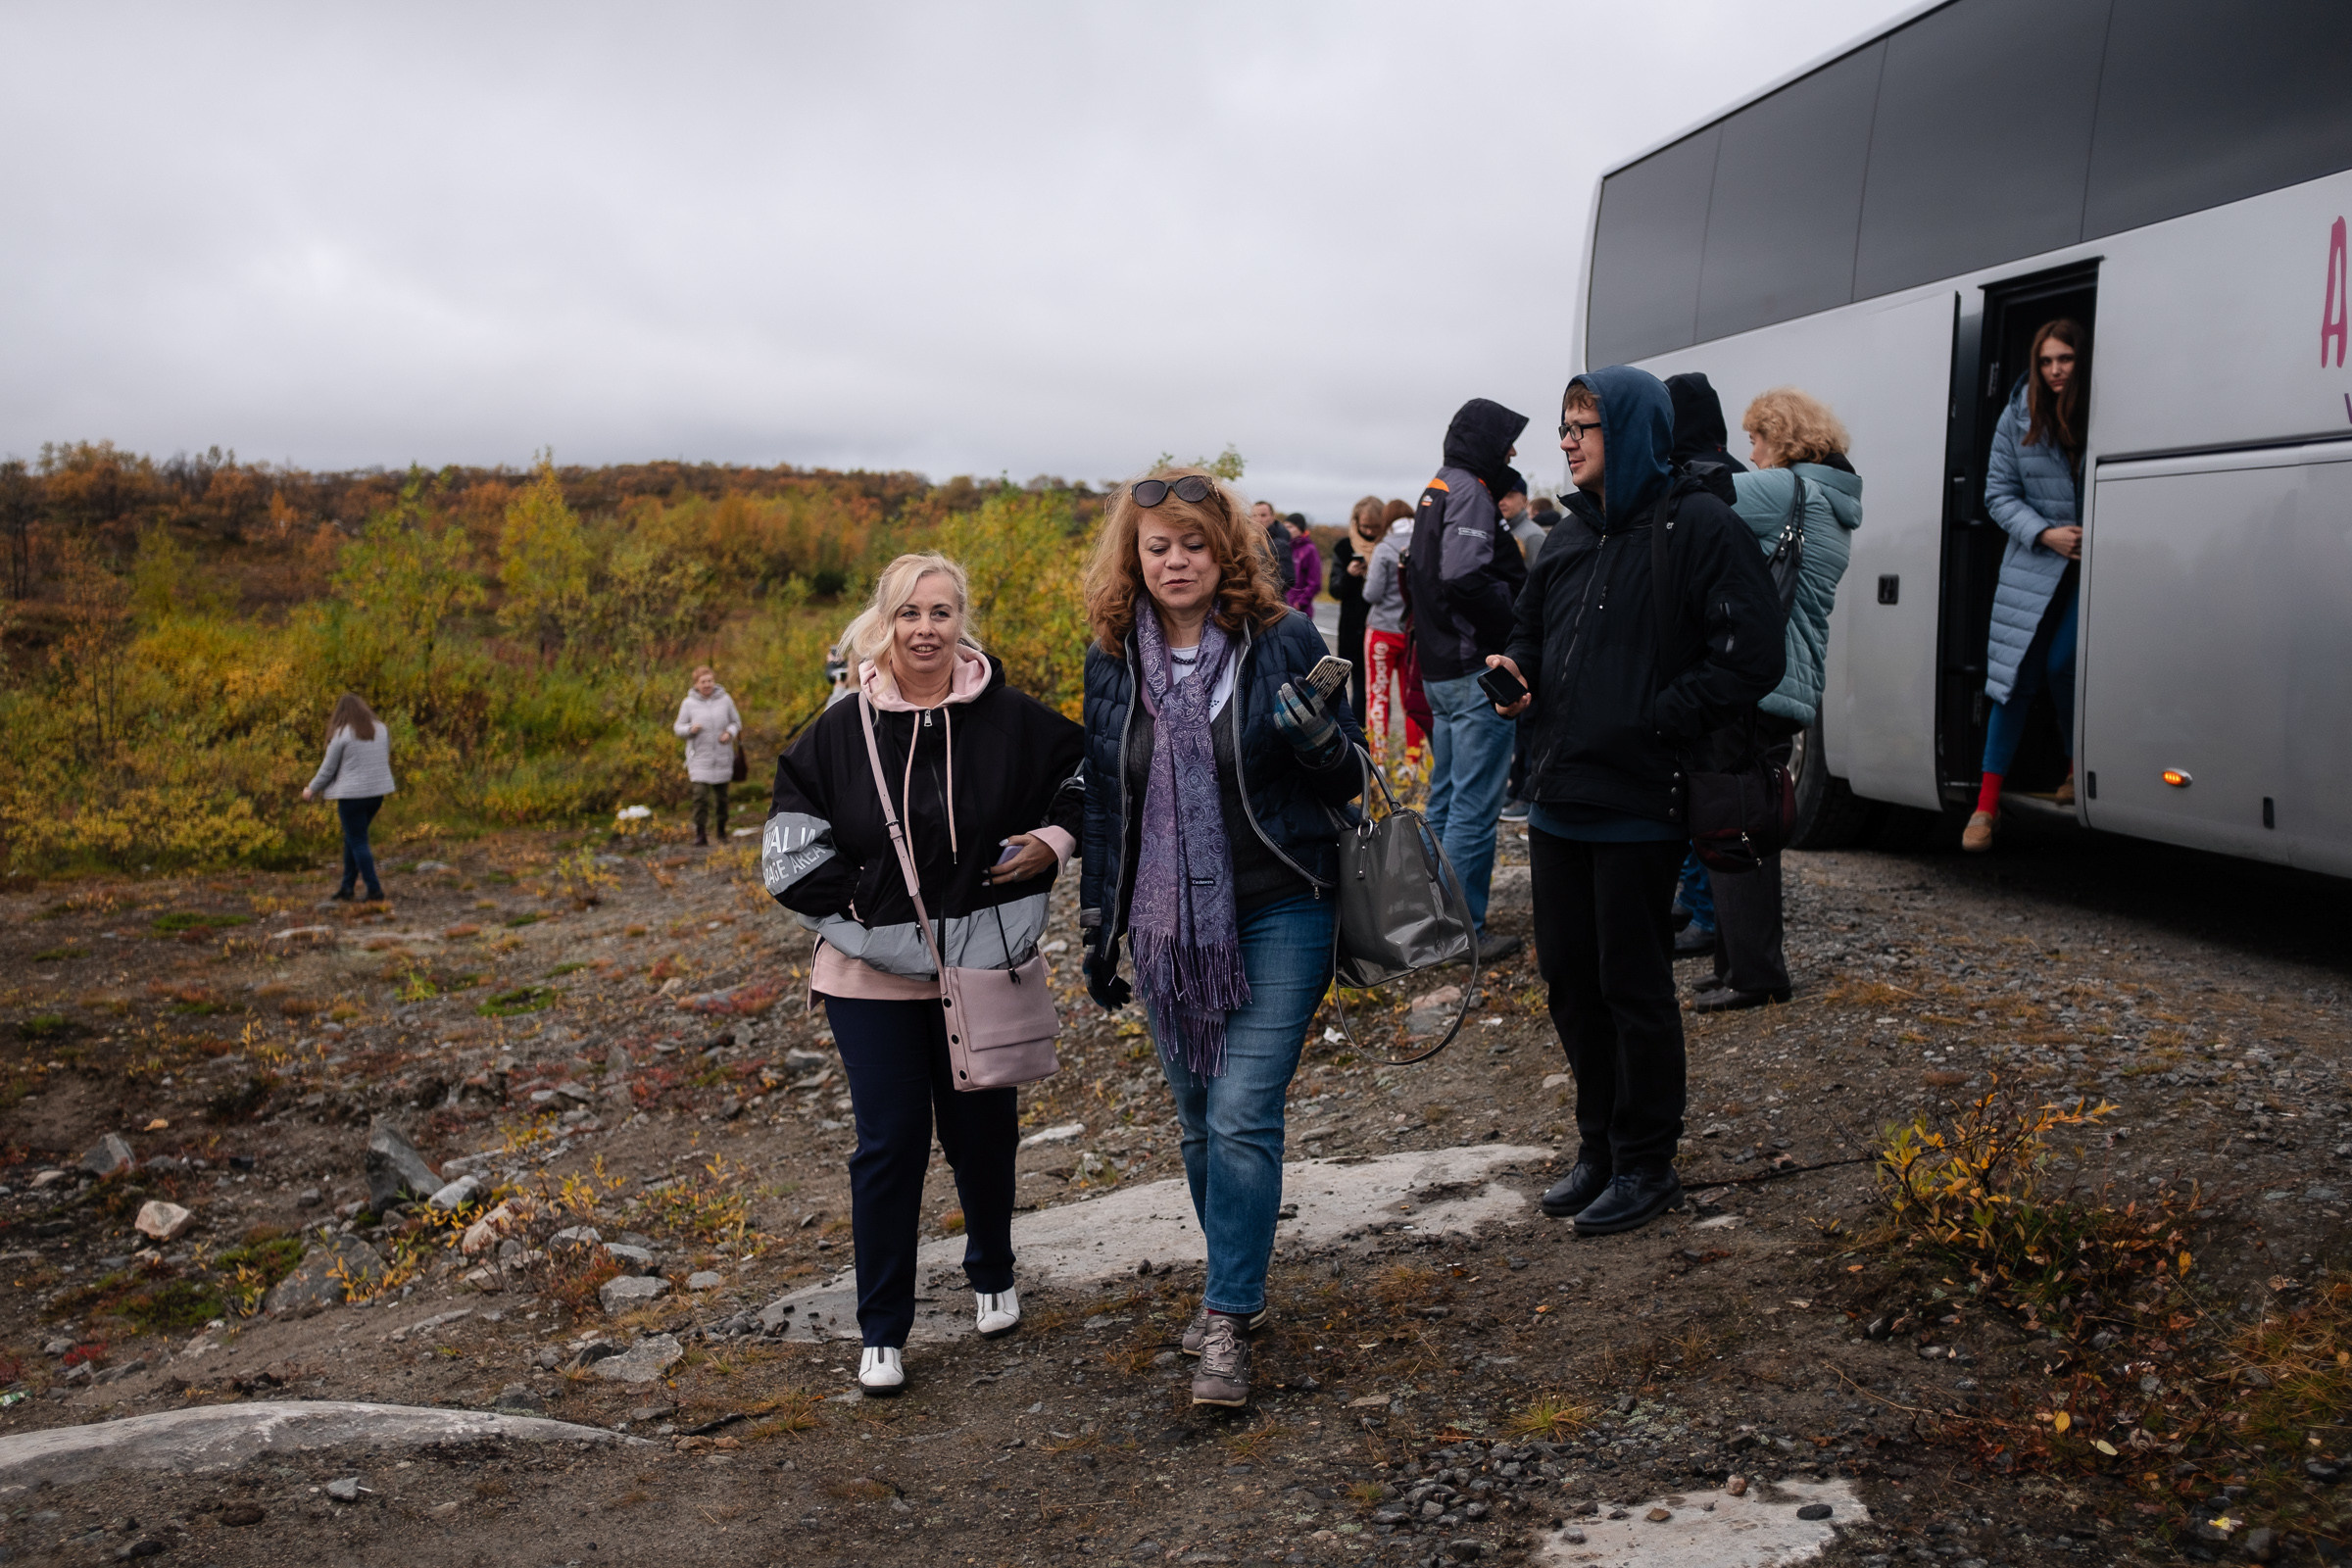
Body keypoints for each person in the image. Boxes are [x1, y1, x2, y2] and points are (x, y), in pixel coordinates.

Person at [763, 553, 1085, 1396]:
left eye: (942, 612)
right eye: (910, 613)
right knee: (891, 1146)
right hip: (868, 982)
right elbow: (787, 859)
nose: (926, 629)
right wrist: (872, 916)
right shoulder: (837, 733)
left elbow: (1089, 783)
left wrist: (1052, 844)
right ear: (885, 622)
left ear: (962, 622)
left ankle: (992, 1272)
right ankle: (882, 1329)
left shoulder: (1012, 719)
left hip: (981, 966)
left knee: (983, 1135)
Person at [1077, 467, 1365, 1408]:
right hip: (1165, 928)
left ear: (1225, 552)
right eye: (1157, 548)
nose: (1175, 562)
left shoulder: (1280, 641)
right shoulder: (1114, 657)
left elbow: (1348, 780)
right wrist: (1099, 927)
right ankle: (1233, 1283)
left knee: (1241, 1109)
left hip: (1284, 900)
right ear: (1135, 558)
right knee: (1200, 1119)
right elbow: (1106, 806)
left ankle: (1228, 1318)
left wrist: (1319, 742)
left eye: (1193, 544)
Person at [1486, 367, 1783, 1236]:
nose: (1568, 440)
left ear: (1637, 430)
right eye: (1566, 426)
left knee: (1632, 983)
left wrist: (1661, 717)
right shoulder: (1569, 538)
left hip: (1639, 797)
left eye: (1586, 424)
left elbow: (1751, 654)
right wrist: (1516, 674)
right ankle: (1600, 1148)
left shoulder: (1699, 525)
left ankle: (1648, 1159)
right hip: (1557, 796)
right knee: (1570, 984)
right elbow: (1529, 632)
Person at [1690, 388, 1864, 1013]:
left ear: (1782, 438)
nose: (1750, 455)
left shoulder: (1788, 492)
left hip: (1755, 683)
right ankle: (1741, 963)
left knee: (1732, 818)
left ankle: (1755, 975)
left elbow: (1689, 495)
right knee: (1751, 820)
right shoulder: (1833, 501)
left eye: (1756, 440)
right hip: (1789, 682)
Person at [1406, 398, 1531, 961]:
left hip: (1438, 667)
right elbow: (1463, 575)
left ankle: (1432, 923)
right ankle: (1463, 934)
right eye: (1507, 440)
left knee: (1445, 799)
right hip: (1472, 669)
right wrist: (1513, 616)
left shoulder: (1437, 485)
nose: (1512, 452)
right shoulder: (1471, 492)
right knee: (1475, 808)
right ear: (1484, 441)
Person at [1966, 319, 2088, 852]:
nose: (2056, 369)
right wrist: (2045, 533)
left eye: (2065, 359)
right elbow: (1997, 494)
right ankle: (1985, 808)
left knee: (2065, 666)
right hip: (2035, 565)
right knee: (2012, 682)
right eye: (2046, 361)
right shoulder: (2016, 417)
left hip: (2094, 566)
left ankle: (2071, 769)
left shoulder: (2103, 409)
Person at [302, 693, 397, 903]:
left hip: (352, 797)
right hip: (376, 795)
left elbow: (328, 769)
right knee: (352, 839)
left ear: (340, 713)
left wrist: (311, 789)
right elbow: (384, 757)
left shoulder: (342, 734)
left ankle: (374, 890)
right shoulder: (380, 729)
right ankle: (347, 887)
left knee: (358, 841)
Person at [1361, 499, 1424, 760]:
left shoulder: (1385, 547)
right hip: (1413, 632)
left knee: (1378, 695)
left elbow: (1371, 593)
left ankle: (1379, 760)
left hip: (1383, 631)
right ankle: (1414, 762)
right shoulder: (1425, 542)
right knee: (1413, 699)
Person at [1329, 497, 1386, 719]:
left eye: (1375, 527)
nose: (1370, 532)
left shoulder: (1387, 547)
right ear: (1356, 522)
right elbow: (1335, 590)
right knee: (1356, 684)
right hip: (1352, 627)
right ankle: (1359, 731)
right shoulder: (1344, 547)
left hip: (1381, 625)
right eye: (1365, 527)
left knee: (1378, 686)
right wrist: (1349, 576)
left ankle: (1377, 731)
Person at [673, 665, 743, 847]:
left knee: (722, 799)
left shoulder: (725, 700)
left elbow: (736, 722)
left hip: (722, 757)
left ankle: (721, 830)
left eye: (709, 681)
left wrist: (729, 732)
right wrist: (690, 729)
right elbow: (678, 728)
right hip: (699, 759)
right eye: (703, 682)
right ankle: (701, 833)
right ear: (696, 684)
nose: (707, 685)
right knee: (700, 798)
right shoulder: (688, 703)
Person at [1250, 500, 1297, 595]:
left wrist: (1262, 589)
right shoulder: (1244, 540)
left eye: (1263, 515)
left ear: (1272, 517)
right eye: (1254, 515)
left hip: (1271, 600)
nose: (1258, 519)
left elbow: (1288, 579)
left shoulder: (1280, 544)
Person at [1284, 513, 1323, 612]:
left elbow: (1315, 582)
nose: (1287, 530)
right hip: (1284, 605)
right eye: (1285, 527)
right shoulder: (1286, 547)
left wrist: (1300, 603)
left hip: (1300, 609)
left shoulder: (1309, 550)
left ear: (1300, 528)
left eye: (1291, 527)